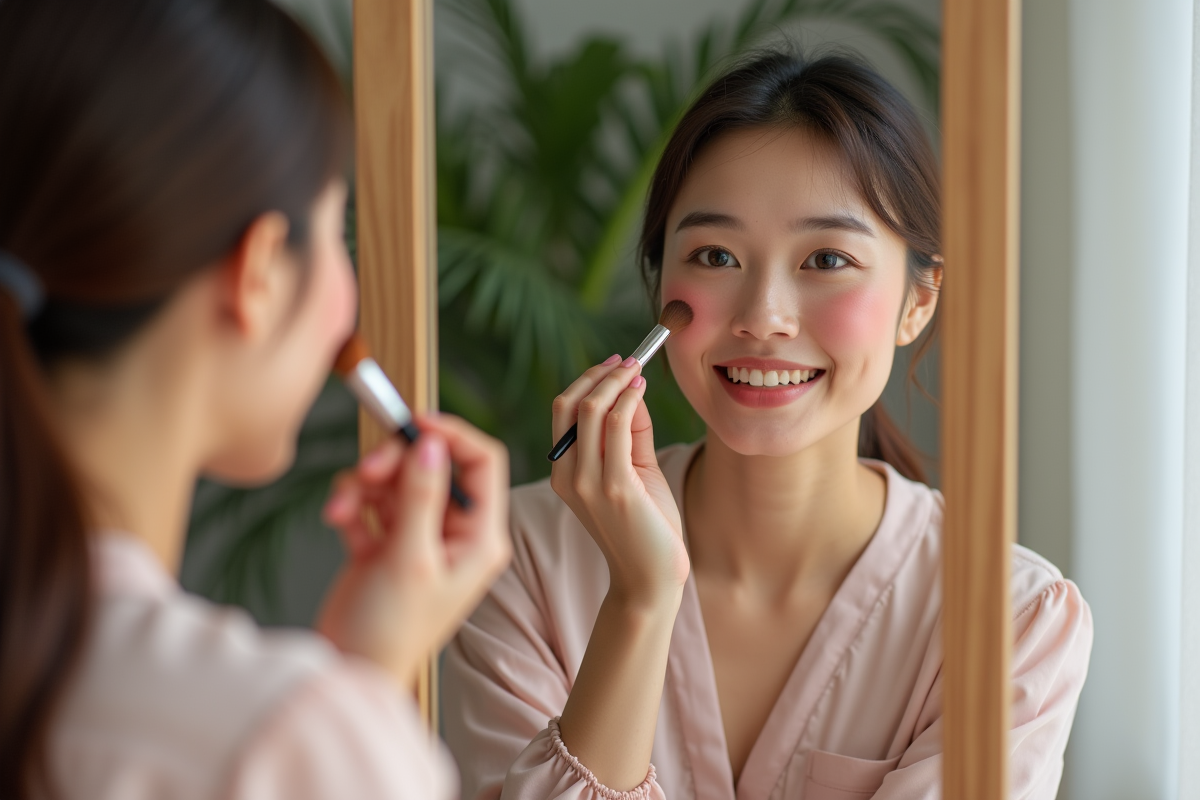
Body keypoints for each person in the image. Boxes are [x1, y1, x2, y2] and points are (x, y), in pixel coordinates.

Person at [442, 51, 1093, 799]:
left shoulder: (1012, 621)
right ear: (661, 284)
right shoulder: (519, 558)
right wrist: (641, 598)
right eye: (715, 255)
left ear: (918, 301)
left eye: (827, 258)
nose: (763, 317)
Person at [0, 1, 510, 798]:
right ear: (260, 272)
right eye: (336, 231)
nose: (347, 307)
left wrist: (357, 680)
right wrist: (345, 715)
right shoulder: (285, 741)